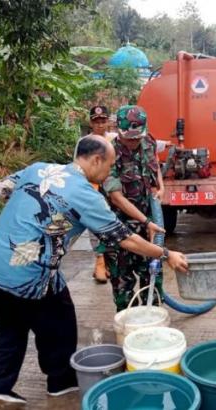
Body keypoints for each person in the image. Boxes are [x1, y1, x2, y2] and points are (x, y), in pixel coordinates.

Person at [0, 135, 187, 405]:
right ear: (96, 159)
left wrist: (26, 217)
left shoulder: (39, 168)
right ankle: (61, 383)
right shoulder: (86, 195)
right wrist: (167, 254)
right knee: (60, 322)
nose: (110, 172)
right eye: (110, 165)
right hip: (29, 273)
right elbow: (124, 238)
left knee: (12, 325)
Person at [103, 105, 166, 312]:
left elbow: (154, 166)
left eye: (136, 137)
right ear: (118, 130)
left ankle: (154, 327)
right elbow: (116, 197)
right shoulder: (107, 153)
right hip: (120, 232)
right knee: (124, 290)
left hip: (149, 230)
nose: (133, 142)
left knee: (153, 282)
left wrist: (160, 187)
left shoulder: (148, 142)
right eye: (128, 138)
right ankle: (130, 331)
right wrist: (146, 221)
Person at [85, 105, 117, 284]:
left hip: (113, 191)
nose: (100, 125)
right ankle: (99, 261)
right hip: (93, 190)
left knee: (112, 223)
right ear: (91, 123)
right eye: (96, 121)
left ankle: (110, 261)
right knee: (94, 225)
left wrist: (166, 144)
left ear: (108, 122)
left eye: (103, 121)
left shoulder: (115, 139)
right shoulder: (84, 143)